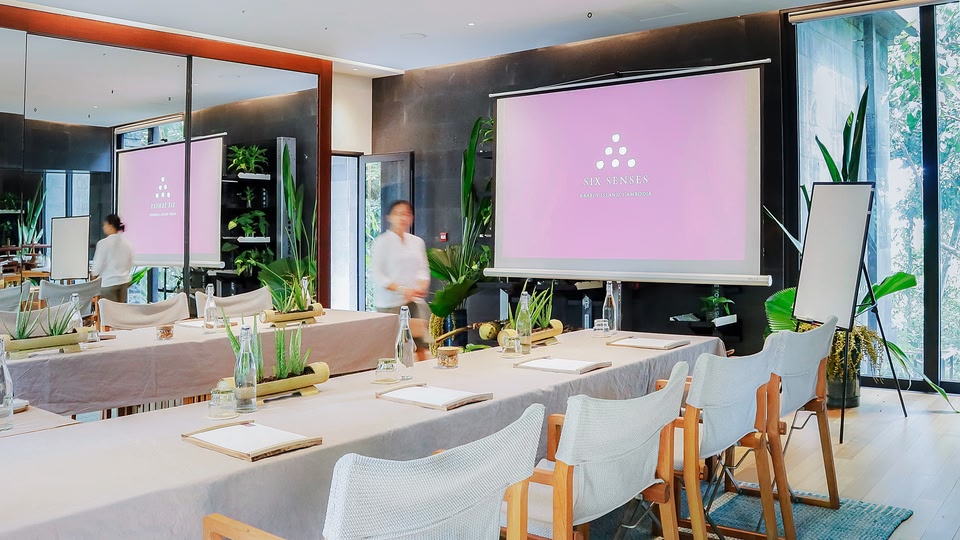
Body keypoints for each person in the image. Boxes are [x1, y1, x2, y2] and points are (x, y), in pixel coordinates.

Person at [370, 200, 431, 360]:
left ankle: (422, 374)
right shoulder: (382, 242)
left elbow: (423, 269)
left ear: (411, 217)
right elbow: (377, 275)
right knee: (395, 349)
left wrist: (422, 284)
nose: (402, 218)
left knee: (421, 346)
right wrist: (402, 289)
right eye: (398, 214)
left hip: (414, 303)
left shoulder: (417, 242)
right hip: (390, 305)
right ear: (389, 217)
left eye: (406, 214)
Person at [91, 214, 134, 303]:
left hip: (108, 283)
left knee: (108, 310)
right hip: (123, 282)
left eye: (105, 225)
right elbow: (129, 264)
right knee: (121, 310)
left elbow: (98, 266)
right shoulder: (127, 244)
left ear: (110, 226)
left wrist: (93, 276)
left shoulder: (103, 243)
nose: (103, 227)